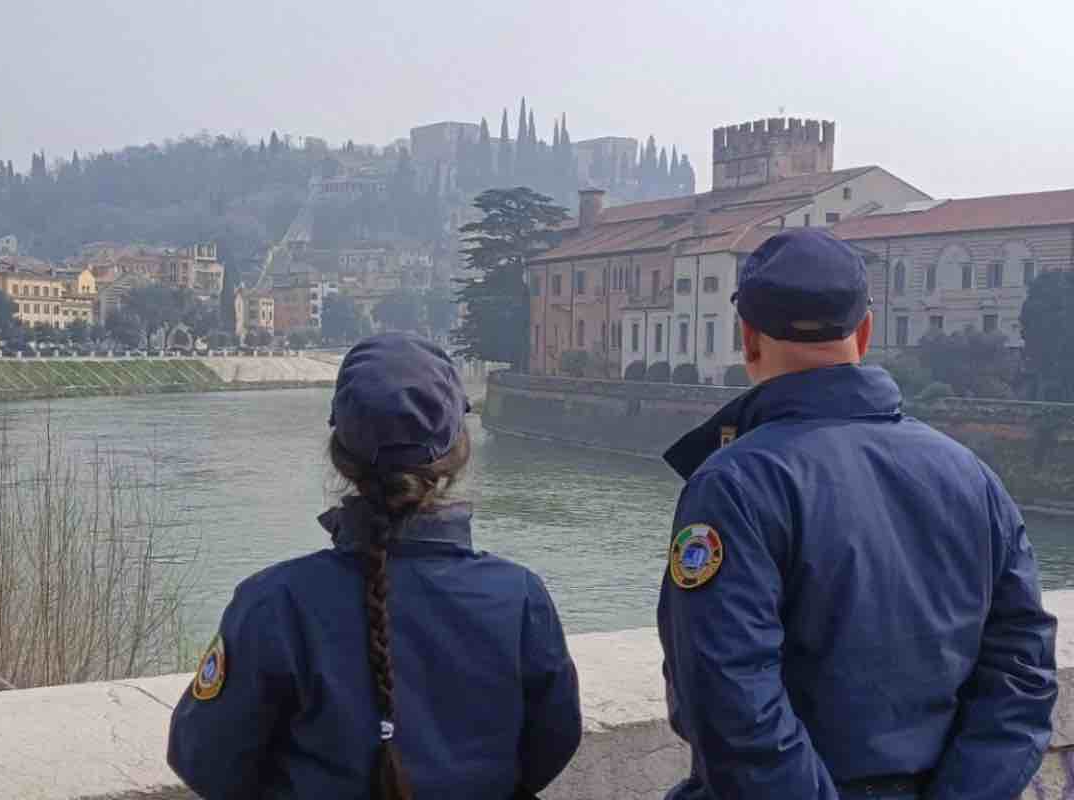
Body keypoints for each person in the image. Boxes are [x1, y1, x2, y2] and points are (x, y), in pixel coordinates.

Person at [657, 228, 1057, 800]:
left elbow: (727, 698)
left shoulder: (733, 484)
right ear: (865, 331)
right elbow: (1022, 670)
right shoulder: (972, 475)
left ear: (748, 338)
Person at [168, 332, 582, 800]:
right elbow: (553, 742)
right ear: (458, 453)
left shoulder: (274, 603)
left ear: (340, 456)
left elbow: (204, 758)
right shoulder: (520, 597)